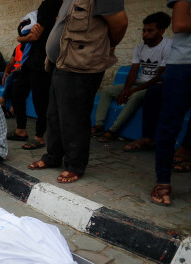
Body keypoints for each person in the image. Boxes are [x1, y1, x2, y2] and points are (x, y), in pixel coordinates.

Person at [28, 0, 128, 183]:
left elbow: (120, 24)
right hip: (62, 61)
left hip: (83, 63)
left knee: (74, 117)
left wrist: (103, 46)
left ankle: (75, 165)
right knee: (54, 115)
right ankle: (53, 156)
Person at [93, 12, 172, 143]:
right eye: (144, 30)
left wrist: (132, 91)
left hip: (154, 86)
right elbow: (134, 71)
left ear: (161, 30)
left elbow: (160, 76)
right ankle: (99, 126)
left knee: (135, 97)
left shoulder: (168, 46)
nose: (145, 34)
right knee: (107, 90)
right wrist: (126, 89)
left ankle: (113, 131)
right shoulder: (140, 47)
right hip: (139, 83)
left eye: (150, 30)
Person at [149, 0, 191, 206]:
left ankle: (184, 151)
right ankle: (163, 181)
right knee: (170, 123)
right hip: (184, 64)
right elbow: (180, 24)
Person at [9, 0, 62, 151]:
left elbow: (34, 36)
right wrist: (23, 37)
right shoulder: (46, 4)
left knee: (40, 100)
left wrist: (20, 38)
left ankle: (39, 137)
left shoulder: (50, 4)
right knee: (17, 93)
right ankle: (21, 130)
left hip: (41, 61)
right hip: (29, 60)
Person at [0, 44, 23, 114]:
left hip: (23, 74)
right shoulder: (18, 47)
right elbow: (10, 63)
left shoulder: (30, 48)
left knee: (10, 79)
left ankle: (4, 101)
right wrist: (5, 73)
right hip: (13, 73)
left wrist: (10, 75)